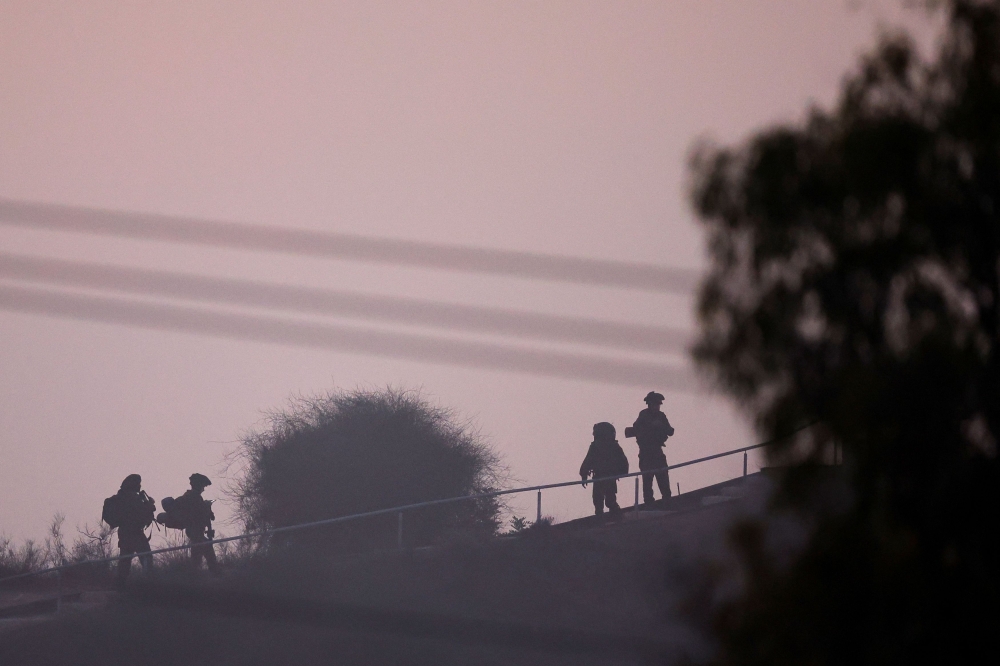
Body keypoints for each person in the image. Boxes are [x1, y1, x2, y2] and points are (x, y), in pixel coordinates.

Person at [627, 391, 675, 506]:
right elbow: (636, 429)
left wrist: (660, 426)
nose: (657, 407)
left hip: (657, 452)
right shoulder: (643, 415)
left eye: (658, 405)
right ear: (650, 404)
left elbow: (670, 431)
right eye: (655, 404)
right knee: (647, 480)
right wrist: (651, 426)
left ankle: (667, 500)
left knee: (663, 478)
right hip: (646, 453)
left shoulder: (661, 416)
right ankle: (649, 503)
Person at [579, 422, 629, 521]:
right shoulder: (613, 446)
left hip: (604, 477)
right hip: (606, 477)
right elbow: (624, 462)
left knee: (602, 501)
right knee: (605, 501)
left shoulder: (597, 446)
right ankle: (615, 517)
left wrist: (584, 474)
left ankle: (608, 519)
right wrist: (621, 472)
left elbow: (587, 461)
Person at [112, 474, 156, 584]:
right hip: (135, 533)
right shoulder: (133, 499)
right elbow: (141, 514)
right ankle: (150, 584)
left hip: (124, 533)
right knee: (146, 558)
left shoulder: (122, 498)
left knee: (125, 561)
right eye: (138, 484)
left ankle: (120, 585)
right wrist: (150, 505)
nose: (140, 486)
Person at [173, 473, 219, 573]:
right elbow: (198, 514)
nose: (204, 488)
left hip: (196, 531)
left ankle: (201, 574)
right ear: (198, 485)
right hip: (195, 530)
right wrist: (206, 506)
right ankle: (211, 574)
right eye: (203, 486)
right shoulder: (194, 497)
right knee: (203, 553)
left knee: (199, 554)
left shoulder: (192, 496)